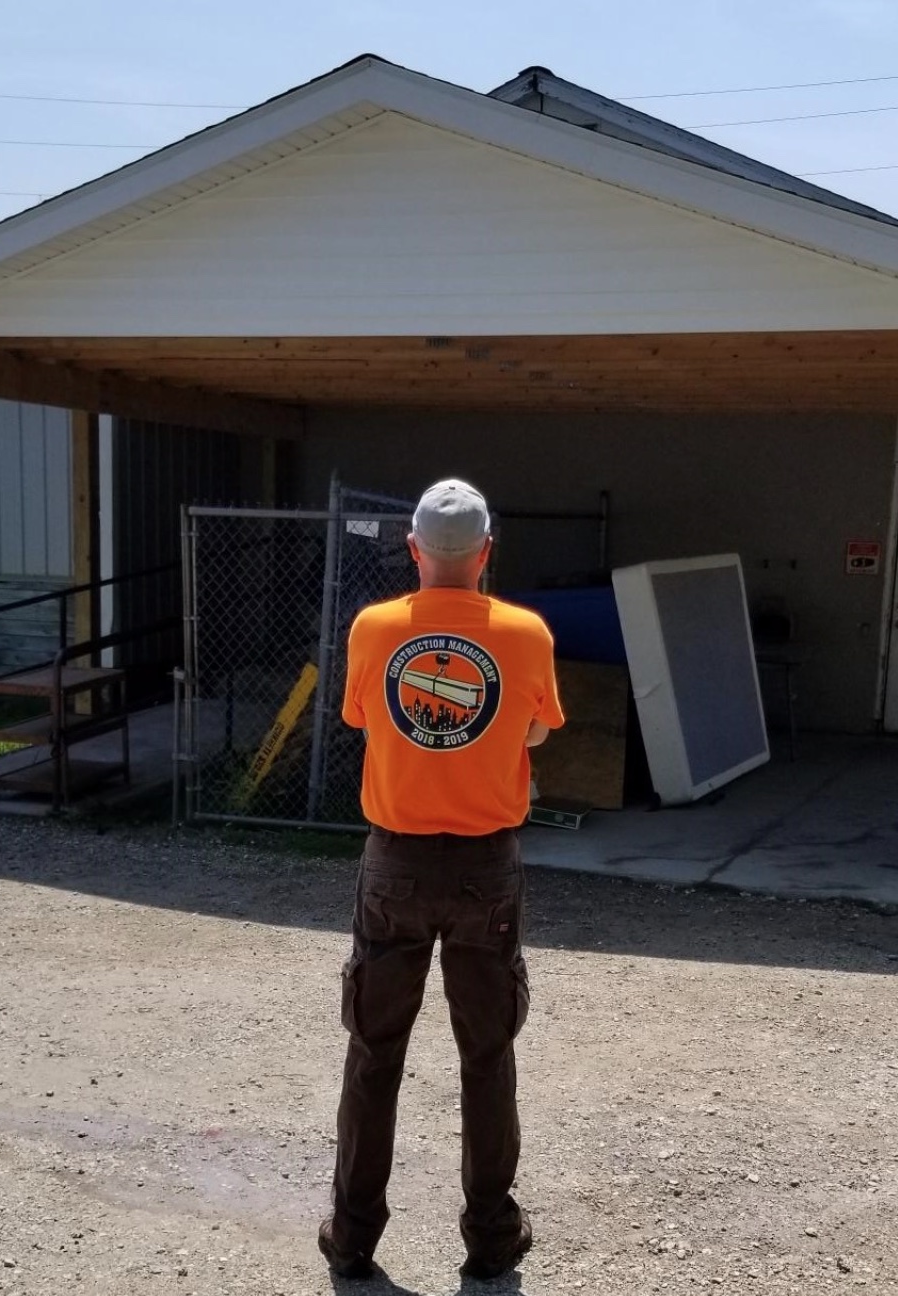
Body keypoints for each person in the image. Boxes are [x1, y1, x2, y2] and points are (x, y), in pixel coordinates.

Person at [318, 478, 565, 1282]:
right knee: (486, 1056)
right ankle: (490, 1238)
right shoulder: (526, 635)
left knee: (373, 1052)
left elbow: (363, 718)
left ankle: (354, 1237)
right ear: (487, 552)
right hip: (486, 867)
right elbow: (534, 728)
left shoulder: (374, 628)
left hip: (393, 860)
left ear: (414, 549)